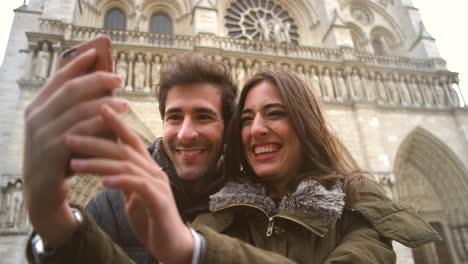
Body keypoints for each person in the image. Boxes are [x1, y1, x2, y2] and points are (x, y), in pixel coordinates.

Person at [27, 69, 440, 264]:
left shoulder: (356, 208)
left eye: (274, 113)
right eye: (246, 118)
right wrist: (56, 221)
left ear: (306, 124)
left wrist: (198, 251)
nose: (257, 128)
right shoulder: (225, 210)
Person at [84, 52, 237, 263]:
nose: (185, 133)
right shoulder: (108, 207)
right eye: (174, 117)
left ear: (228, 127)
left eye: (203, 117)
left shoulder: (252, 210)